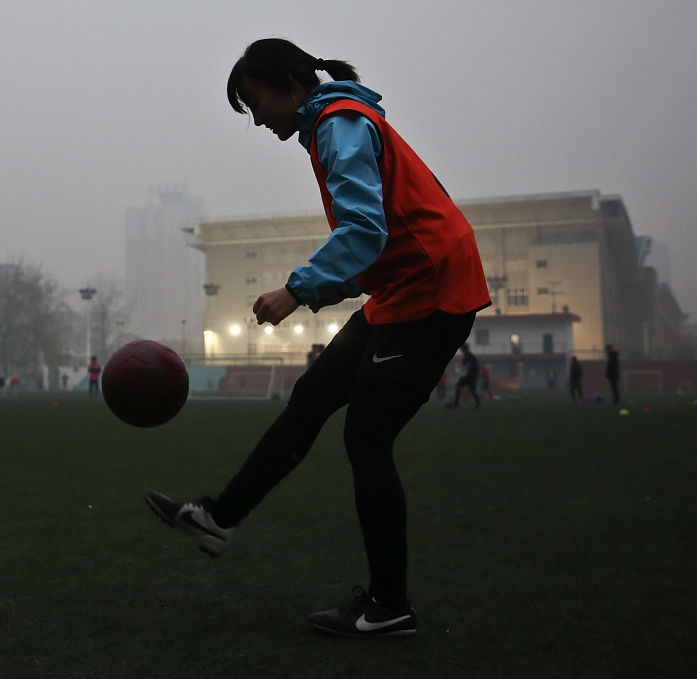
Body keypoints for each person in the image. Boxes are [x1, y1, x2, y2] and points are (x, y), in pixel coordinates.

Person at [144, 39, 490, 638]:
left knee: (366, 439)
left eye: (256, 102)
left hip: (431, 292)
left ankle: (390, 607)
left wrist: (297, 289)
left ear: (288, 83)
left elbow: (364, 228)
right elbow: (376, 241)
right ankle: (216, 518)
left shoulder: (341, 125)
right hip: (400, 291)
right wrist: (320, 292)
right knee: (312, 397)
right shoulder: (334, 125)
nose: (257, 119)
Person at [447, 342, 481, 409]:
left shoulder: (467, 355)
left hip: (468, 375)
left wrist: (464, 374)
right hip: (472, 375)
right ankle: (477, 403)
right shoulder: (470, 355)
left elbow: (466, 366)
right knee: (472, 389)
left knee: (458, 386)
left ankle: (456, 403)